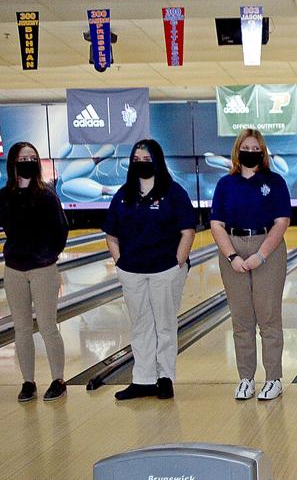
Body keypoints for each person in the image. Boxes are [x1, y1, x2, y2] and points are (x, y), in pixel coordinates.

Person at [103, 139, 197, 401]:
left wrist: (178, 262)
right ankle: (143, 380)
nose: (141, 163)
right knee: (141, 326)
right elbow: (111, 235)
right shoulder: (123, 195)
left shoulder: (174, 192)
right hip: (132, 271)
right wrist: (120, 263)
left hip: (165, 270)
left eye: (146, 159)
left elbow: (188, 231)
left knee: (164, 325)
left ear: (157, 160)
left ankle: (165, 377)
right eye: (137, 159)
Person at [211, 129, 292, 401]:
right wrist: (232, 256)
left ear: (262, 152)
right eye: (246, 147)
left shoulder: (275, 181)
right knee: (241, 320)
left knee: (269, 318)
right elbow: (216, 224)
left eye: (256, 148)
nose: (251, 151)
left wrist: (261, 255)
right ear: (238, 150)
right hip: (232, 247)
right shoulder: (225, 184)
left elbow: (282, 222)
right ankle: (246, 378)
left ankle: (273, 379)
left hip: (267, 246)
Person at [0, 142, 69, 402]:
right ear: (13, 162)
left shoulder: (47, 195)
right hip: (14, 269)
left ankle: (58, 379)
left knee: (48, 326)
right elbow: (7, 227)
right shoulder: (5, 195)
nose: (28, 161)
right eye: (23, 157)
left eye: (32, 157)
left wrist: (49, 256)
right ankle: (28, 382)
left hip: (43, 269)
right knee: (21, 328)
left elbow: (61, 230)